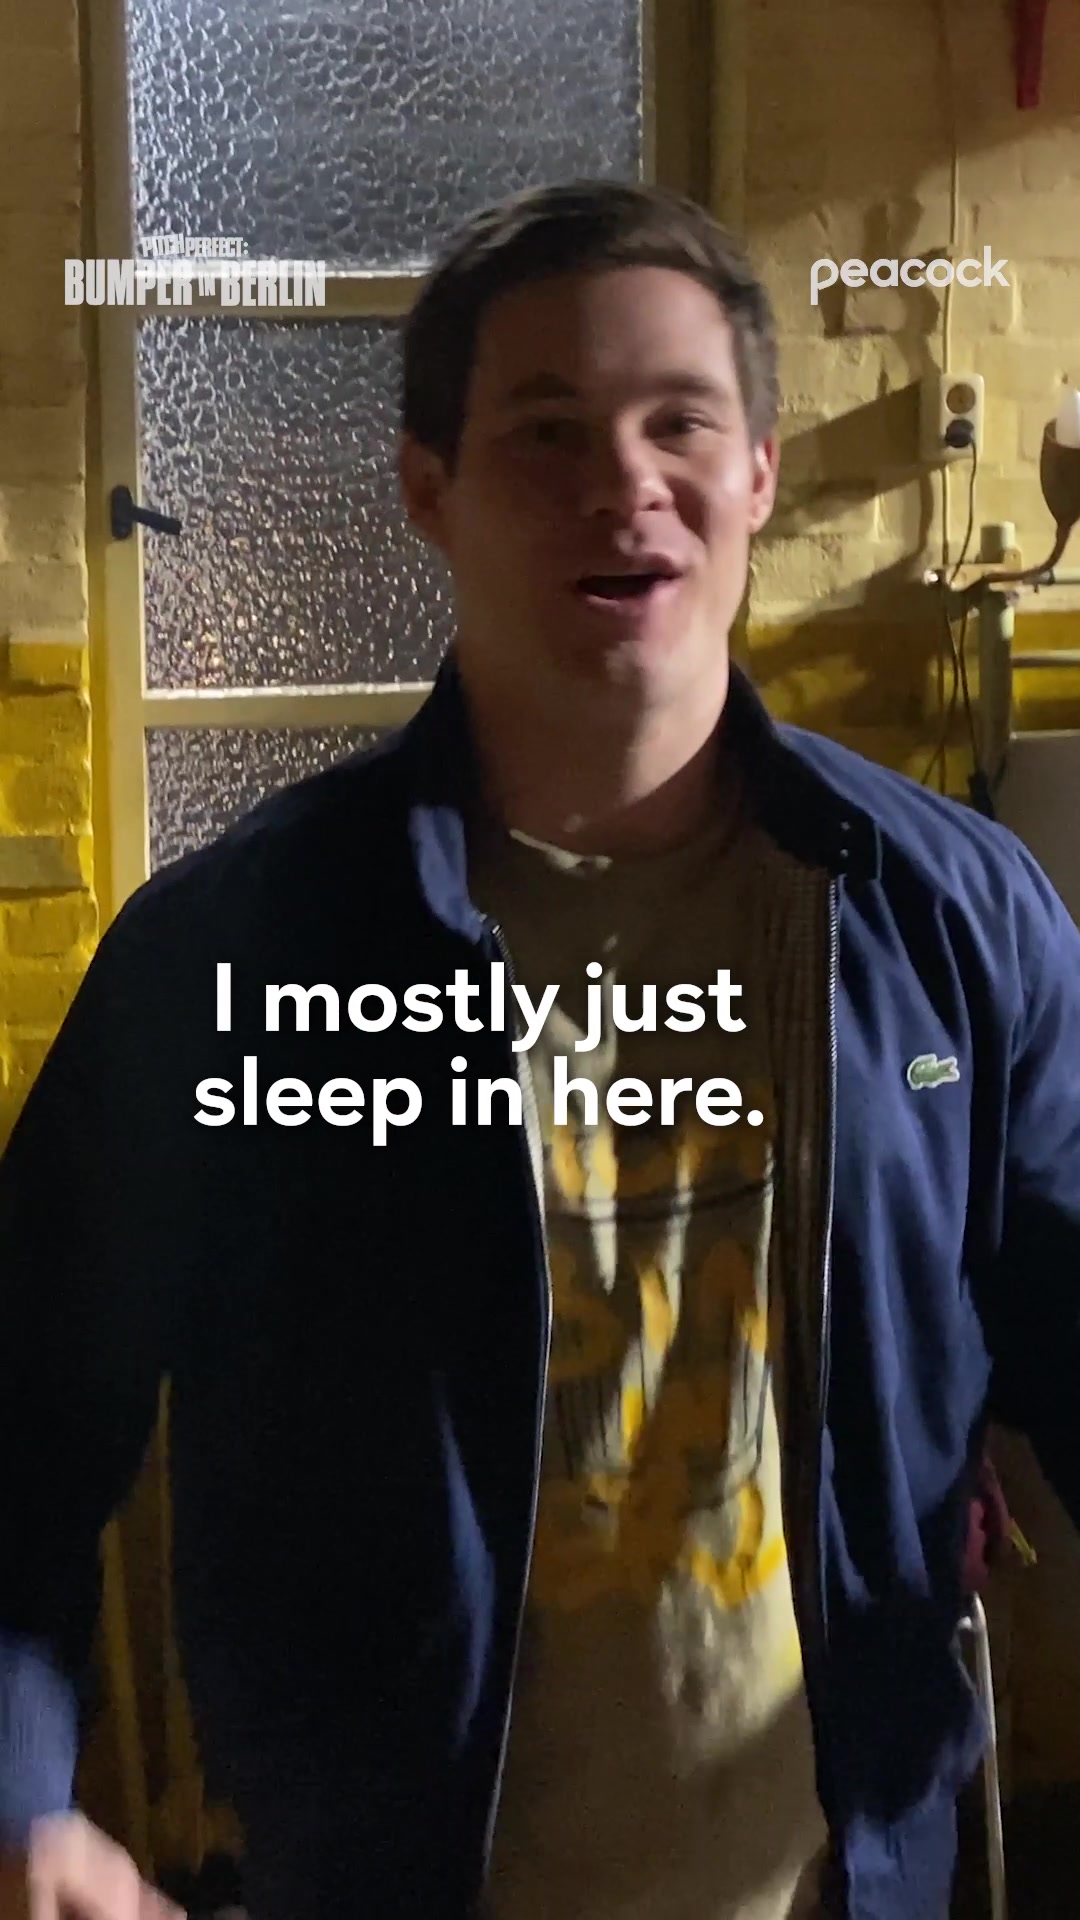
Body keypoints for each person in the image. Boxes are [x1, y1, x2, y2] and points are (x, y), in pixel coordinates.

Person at [0, 179, 1078, 1920]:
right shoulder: (232, 955)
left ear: (761, 475)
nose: (622, 482)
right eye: (548, 430)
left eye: (680, 424)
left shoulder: (951, 919)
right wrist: (17, 1799)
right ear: (427, 488)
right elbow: (28, 1420)